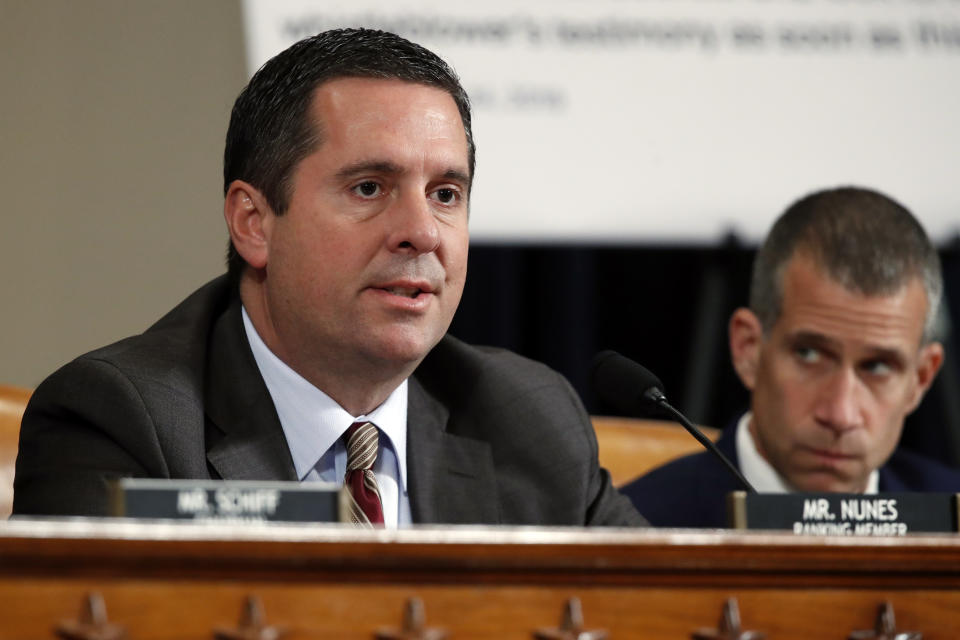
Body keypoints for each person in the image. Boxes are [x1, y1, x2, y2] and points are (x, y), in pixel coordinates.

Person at [13, 28, 644, 527]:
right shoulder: (124, 424)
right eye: (370, 187)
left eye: (446, 194)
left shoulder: (528, 420)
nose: (422, 232)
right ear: (254, 222)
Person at [622, 186, 960, 528]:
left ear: (920, 379)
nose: (840, 415)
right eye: (810, 354)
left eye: (877, 366)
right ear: (748, 348)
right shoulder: (635, 528)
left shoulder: (952, 523)